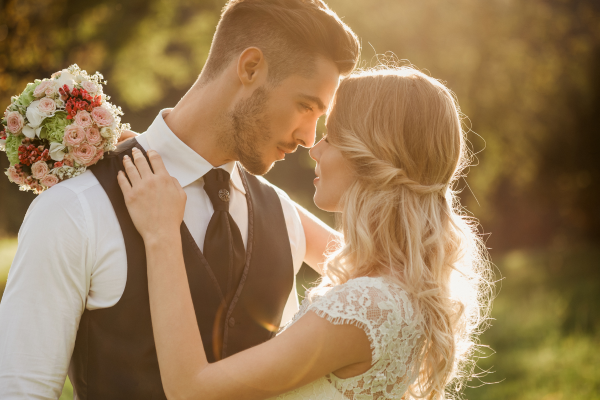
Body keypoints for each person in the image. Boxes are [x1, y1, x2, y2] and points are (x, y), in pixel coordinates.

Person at [0, 1, 359, 398]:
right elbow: (21, 389)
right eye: (306, 106)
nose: (309, 137)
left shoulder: (284, 218)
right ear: (250, 68)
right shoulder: (75, 208)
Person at [118, 66, 493, 399]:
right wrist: (180, 155)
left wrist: (162, 234)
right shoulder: (399, 279)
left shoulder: (361, 310)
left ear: (370, 158)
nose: (314, 149)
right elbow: (283, 215)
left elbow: (192, 389)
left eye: (331, 137)